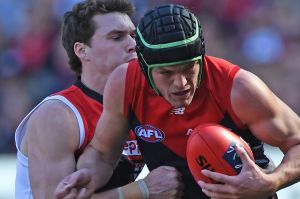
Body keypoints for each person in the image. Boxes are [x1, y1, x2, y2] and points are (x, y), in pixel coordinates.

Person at [55, 3, 300, 199]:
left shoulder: (237, 87)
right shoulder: (125, 83)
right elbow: (102, 152)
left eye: (188, 69)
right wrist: (87, 175)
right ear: (144, 67)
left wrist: (271, 181)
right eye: (167, 73)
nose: (181, 84)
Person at [14, 0, 183, 199]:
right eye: (116, 37)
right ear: (82, 50)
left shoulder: (147, 103)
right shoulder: (58, 115)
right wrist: (142, 191)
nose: (132, 45)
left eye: (133, 35)